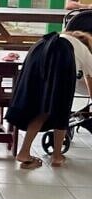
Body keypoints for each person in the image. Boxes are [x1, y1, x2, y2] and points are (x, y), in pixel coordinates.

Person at [8, 30, 92, 169]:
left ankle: (24, 151)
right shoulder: (85, 51)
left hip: (38, 50)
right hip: (62, 56)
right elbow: (90, 82)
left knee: (42, 108)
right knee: (61, 109)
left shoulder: (60, 38)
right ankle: (57, 156)